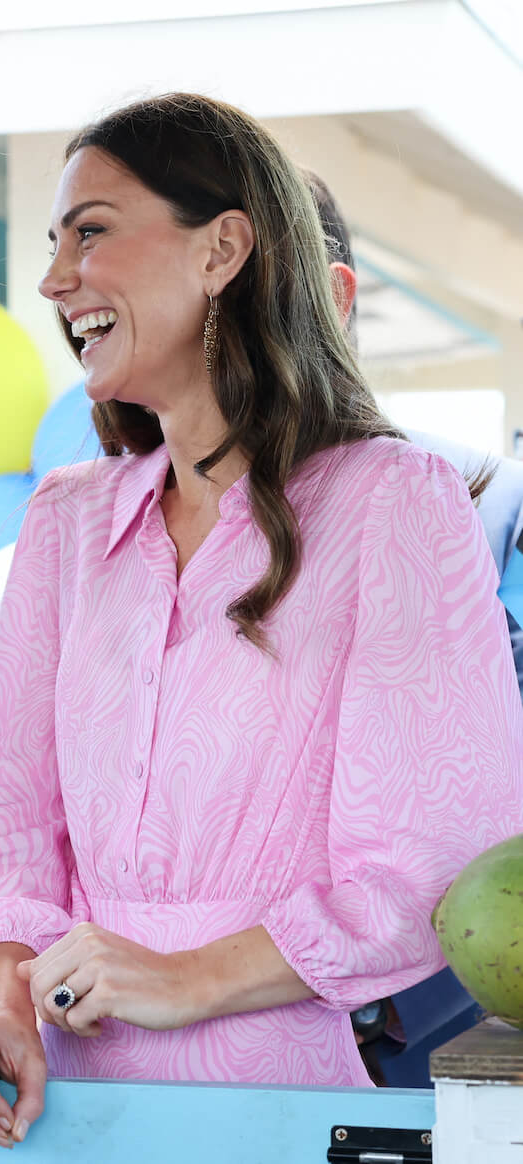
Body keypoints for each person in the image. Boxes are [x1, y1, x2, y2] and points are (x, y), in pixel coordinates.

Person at [0, 92, 523, 1148]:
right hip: (54, 1102)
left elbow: (433, 856)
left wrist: (185, 976)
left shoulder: (396, 500)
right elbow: (2, 825)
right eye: (52, 246)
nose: (57, 280)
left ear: (224, 249)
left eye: (91, 231)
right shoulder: (66, 520)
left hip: (281, 1098)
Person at [306, 168, 523, 1085]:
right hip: (172, 1046)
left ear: (330, 294)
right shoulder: (110, 524)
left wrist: (393, 1002)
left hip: (429, 1027)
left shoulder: (480, 498)